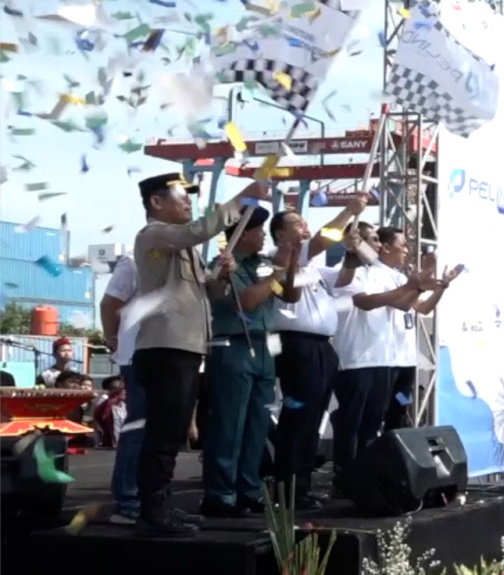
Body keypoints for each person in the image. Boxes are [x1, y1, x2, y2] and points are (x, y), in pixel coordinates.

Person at [133, 173, 267, 537]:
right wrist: (243, 198)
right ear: (156, 202)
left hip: (188, 347)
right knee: (163, 435)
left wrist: (221, 276)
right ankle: (152, 511)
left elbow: (211, 294)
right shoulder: (154, 235)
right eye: (182, 196)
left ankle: (161, 505)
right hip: (166, 348)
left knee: (173, 433)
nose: (189, 202)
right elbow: (198, 231)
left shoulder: (184, 246)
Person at [266, 203, 364, 510]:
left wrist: (351, 253)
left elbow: (343, 280)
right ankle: (288, 487)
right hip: (296, 346)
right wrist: (350, 210)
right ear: (280, 234)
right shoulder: (280, 259)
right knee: (298, 418)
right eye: (297, 224)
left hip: (321, 347)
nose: (305, 228)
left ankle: (302, 485)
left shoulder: (313, 268)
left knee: (313, 418)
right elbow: (324, 238)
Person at [201, 207, 294, 518]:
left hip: (266, 346)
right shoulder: (224, 265)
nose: (263, 235)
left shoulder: (264, 264)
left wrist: (289, 263)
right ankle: (221, 493)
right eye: (258, 230)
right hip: (235, 345)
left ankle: (249, 490)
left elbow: (290, 295)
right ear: (242, 235)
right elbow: (248, 302)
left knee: (257, 425)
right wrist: (278, 273)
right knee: (230, 424)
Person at [330, 225, 433, 494]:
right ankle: (344, 479)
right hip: (356, 359)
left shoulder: (393, 275)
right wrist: (412, 286)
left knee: (375, 422)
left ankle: (368, 478)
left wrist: (421, 286)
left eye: (378, 240)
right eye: (373, 240)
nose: (376, 245)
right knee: (352, 422)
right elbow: (365, 302)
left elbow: (405, 304)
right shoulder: (352, 272)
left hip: (383, 360)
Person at [386, 251, 459, 432]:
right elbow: (402, 303)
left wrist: (443, 287)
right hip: (386, 359)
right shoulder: (388, 283)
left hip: (406, 360)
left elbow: (424, 308)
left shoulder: (409, 291)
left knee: (401, 404)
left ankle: (396, 436)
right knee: (381, 407)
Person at [99, 253, 145, 525]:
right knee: (139, 426)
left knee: (161, 431)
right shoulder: (135, 260)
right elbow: (109, 303)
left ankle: (151, 499)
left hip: (172, 354)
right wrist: (112, 338)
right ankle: (128, 500)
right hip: (138, 355)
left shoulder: (186, 258)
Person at [93, 376, 126, 449]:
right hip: (109, 448)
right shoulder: (103, 406)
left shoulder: (128, 406)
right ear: (107, 391)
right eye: (115, 388)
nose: (121, 391)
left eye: (123, 388)